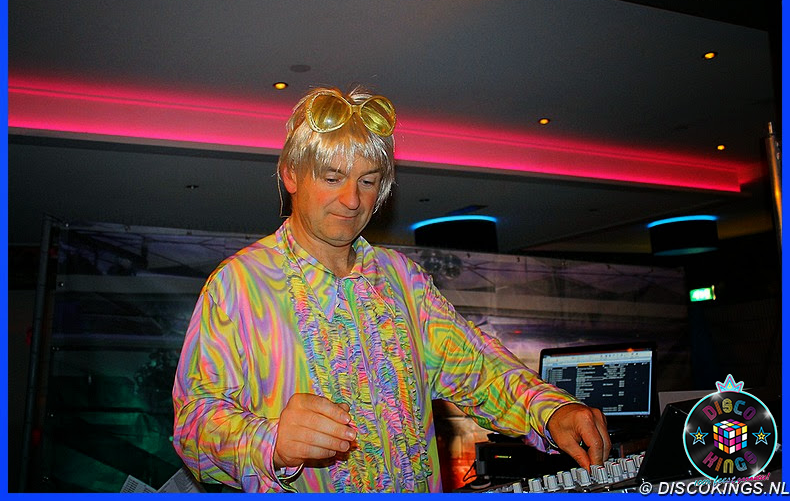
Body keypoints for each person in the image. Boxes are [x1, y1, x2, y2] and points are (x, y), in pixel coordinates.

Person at [172, 85, 611, 493]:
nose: (352, 200)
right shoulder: (238, 284)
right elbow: (194, 424)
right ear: (291, 175)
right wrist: (271, 441)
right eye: (332, 177)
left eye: (367, 181)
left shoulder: (403, 280)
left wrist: (550, 409)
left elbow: (479, 368)